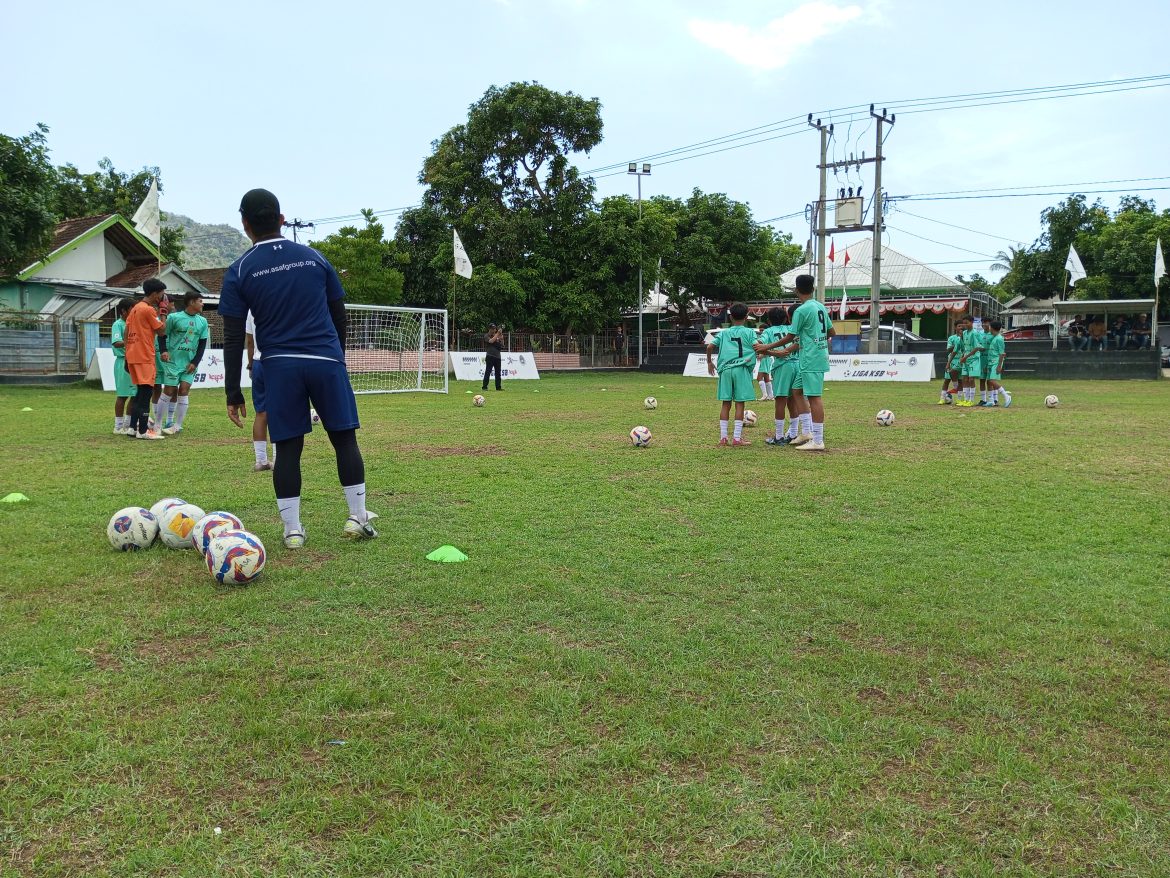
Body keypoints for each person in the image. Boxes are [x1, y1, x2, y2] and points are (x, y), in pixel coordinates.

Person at [219, 188, 376, 548]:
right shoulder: (315, 258)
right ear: (281, 219)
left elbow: (231, 337)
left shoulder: (240, 270)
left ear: (245, 225)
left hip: (278, 367)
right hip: (326, 360)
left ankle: (293, 531)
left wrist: (232, 391)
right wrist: (336, 356)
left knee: (288, 448)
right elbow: (339, 313)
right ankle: (358, 517)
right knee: (344, 440)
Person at [755, 275, 833, 450]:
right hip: (806, 360)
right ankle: (806, 431)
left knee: (814, 397)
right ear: (813, 289)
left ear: (797, 290)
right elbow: (831, 332)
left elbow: (790, 337)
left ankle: (818, 440)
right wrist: (812, 341)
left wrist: (768, 346)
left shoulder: (801, 310)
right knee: (797, 391)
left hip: (812, 359)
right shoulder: (820, 307)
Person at [157, 292, 209, 435]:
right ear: (192, 302)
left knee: (184, 390)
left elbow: (202, 344)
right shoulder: (174, 318)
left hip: (189, 363)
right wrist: (163, 350)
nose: (202, 304)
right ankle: (157, 424)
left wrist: (195, 361)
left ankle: (177, 426)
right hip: (173, 362)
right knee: (168, 391)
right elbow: (162, 334)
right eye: (200, 301)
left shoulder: (202, 322)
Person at [706, 302, 757, 446]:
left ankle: (723, 438)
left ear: (730, 316)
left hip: (726, 369)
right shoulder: (749, 332)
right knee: (740, 404)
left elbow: (710, 346)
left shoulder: (724, 333)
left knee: (725, 403)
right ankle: (736, 438)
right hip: (741, 369)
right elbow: (757, 345)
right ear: (747, 316)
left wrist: (709, 362)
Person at [123, 279, 169, 439]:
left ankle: (132, 428)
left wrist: (126, 355)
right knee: (146, 392)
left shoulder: (135, 309)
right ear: (155, 294)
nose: (162, 298)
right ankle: (143, 431)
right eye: (162, 294)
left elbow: (126, 332)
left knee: (140, 391)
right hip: (144, 355)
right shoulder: (148, 310)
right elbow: (162, 331)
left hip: (133, 355)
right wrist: (163, 313)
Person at [760, 307, 802, 446]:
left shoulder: (768, 331)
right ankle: (793, 433)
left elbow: (759, 345)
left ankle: (778, 437)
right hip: (798, 364)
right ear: (786, 318)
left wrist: (773, 353)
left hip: (783, 366)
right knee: (793, 400)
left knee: (780, 400)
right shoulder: (791, 328)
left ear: (768, 321)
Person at [246, 310, 274, 472]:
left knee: (261, 412)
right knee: (279, 411)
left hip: (258, 362)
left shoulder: (251, 309)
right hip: (278, 360)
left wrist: (250, 365)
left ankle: (260, 461)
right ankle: (279, 459)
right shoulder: (281, 299)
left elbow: (250, 342)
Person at [109, 298, 135, 434]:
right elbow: (116, 342)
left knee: (134, 394)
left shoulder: (134, 324)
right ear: (124, 311)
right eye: (131, 310)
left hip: (135, 362)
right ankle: (118, 426)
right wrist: (131, 341)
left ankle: (128, 424)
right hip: (123, 361)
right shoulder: (118, 324)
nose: (133, 313)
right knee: (123, 395)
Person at [980, 320, 1012, 407]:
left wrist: (999, 366)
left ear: (992, 328)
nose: (988, 328)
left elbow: (1002, 353)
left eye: (989, 326)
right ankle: (991, 401)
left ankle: (1006, 396)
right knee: (989, 381)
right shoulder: (994, 337)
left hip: (996, 362)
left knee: (992, 381)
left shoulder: (999, 338)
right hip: (990, 362)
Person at [957, 317, 982, 407]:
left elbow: (976, 348)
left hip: (973, 358)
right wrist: (962, 356)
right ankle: (966, 399)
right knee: (964, 378)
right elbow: (965, 347)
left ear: (972, 322)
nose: (965, 325)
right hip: (966, 358)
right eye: (963, 323)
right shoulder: (964, 333)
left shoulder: (974, 333)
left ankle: (971, 400)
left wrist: (966, 357)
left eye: (966, 323)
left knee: (971, 379)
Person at [938, 320, 964, 404]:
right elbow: (948, 350)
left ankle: (959, 399)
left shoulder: (965, 337)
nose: (961, 328)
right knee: (947, 380)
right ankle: (942, 398)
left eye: (962, 326)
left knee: (960, 380)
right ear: (955, 327)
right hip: (952, 360)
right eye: (959, 326)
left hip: (961, 360)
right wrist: (955, 345)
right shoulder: (951, 338)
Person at [755, 316, 774, 401]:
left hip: (765, 358)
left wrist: (762, 355)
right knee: (767, 378)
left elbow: (768, 347)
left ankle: (765, 395)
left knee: (759, 378)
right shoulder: (765, 337)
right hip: (767, 359)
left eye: (763, 330)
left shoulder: (766, 337)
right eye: (760, 330)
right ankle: (771, 395)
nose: (761, 332)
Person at [482, 323, 504, 390]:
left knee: (498, 373)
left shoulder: (497, 336)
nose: (494, 330)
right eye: (492, 329)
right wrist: (497, 334)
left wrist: (501, 337)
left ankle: (498, 387)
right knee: (488, 372)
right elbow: (491, 341)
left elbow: (502, 345)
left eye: (494, 329)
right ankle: (484, 387)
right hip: (490, 356)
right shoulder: (486, 336)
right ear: (489, 329)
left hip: (498, 357)